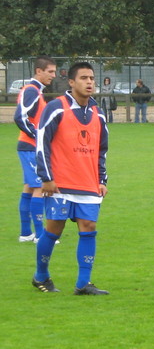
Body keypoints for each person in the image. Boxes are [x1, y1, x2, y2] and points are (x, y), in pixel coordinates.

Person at [32, 61, 110, 295]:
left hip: (87, 183)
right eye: (84, 78)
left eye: (92, 78)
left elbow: (101, 149)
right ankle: (41, 276)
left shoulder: (98, 112)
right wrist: (46, 178)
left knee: (89, 227)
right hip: (60, 183)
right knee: (54, 229)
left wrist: (102, 179)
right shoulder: (56, 107)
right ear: (71, 82)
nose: (89, 82)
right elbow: (41, 141)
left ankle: (83, 283)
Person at [15, 57, 58, 242]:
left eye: (54, 72)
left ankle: (26, 233)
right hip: (31, 147)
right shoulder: (31, 90)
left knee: (29, 188)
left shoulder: (36, 92)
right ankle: (40, 235)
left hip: (29, 147)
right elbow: (20, 117)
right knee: (40, 187)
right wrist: (38, 137)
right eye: (50, 72)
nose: (53, 76)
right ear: (38, 71)